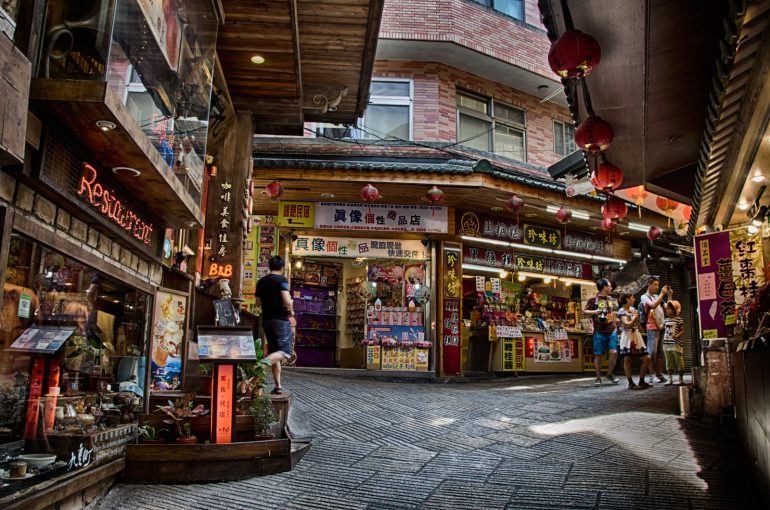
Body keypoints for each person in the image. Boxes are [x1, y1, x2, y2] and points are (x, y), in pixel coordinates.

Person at [255, 256, 294, 395]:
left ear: (269, 267)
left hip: (266, 320)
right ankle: (259, 365)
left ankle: (278, 386)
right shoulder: (281, 281)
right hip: (280, 320)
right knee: (284, 352)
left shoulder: (261, 282)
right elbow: (287, 300)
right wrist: (291, 309)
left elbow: (258, 303)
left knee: (274, 353)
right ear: (282, 268)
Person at [584, 278, 620, 386]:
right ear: (604, 287)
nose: (611, 288)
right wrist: (595, 312)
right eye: (609, 286)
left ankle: (609, 373)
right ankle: (598, 377)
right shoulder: (593, 300)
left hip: (611, 330)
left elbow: (613, 313)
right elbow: (584, 311)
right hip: (599, 331)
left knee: (614, 352)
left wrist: (615, 325)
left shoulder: (610, 299)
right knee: (598, 355)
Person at [616, 293, 652, 390]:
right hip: (627, 335)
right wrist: (634, 318)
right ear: (627, 299)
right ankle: (630, 382)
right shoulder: (621, 311)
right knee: (627, 359)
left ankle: (641, 380)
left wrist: (638, 321)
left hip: (636, 335)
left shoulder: (633, 309)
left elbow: (637, 323)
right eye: (632, 298)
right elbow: (627, 324)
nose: (634, 299)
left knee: (647, 358)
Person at [640, 276, 668, 384]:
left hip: (661, 326)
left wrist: (669, 295)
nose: (657, 287)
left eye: (658, 285)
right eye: (655, 285)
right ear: (649, 285)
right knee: (652, 352)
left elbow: (668, 307)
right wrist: (662, 294)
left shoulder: (657, 296)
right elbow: (653, 305)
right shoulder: (644, 297)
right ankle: (652, 375)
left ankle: (659, 374)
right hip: (652, 327)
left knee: (660, 352)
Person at [662, 300, 686, 386]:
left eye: (669, 309)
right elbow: (660, 328)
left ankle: (680, 379)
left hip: (676, 343)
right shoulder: (665, 320)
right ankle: (670, 378)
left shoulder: (679, 319)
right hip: (666, 343)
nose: (666, 310)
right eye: (666, 309)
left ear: (674, 310)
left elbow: (682, 331)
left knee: (679, 360)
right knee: (668, 361)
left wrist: (677, 336)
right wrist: (653, 318)